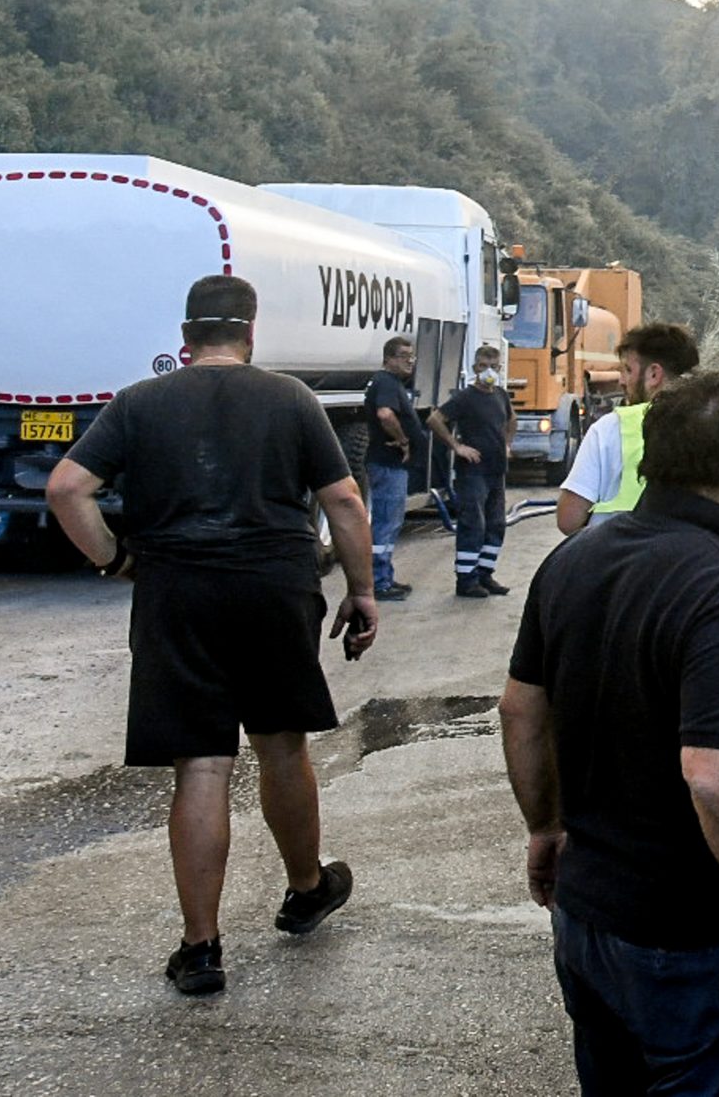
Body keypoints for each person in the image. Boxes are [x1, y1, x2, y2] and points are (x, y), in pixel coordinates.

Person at [44, 275, 378, 998]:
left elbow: (68, 487)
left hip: (177, 593)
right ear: (250, 335)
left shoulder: (139, 401)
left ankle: (201, 950)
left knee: (201, 764)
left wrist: (117, 559)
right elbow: (344, 499)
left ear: (185, 338)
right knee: (282, 743)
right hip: (273, 587)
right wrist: (362, 588)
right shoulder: (291, 398)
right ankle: (305, 887)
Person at [500, 370, 719, 1096]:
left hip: (590, 920)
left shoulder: (573, 560)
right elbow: (716, 771)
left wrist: (545, 827)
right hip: (691, 939)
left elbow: (521, 708)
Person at [554, 321, 701, 538]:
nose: (621, 381)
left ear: (654, 375)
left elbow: (568, 519)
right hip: (696, 563)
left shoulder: (610, 428)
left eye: (628, 370)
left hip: (617, 563)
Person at [430, 345, 512, 599]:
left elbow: (512, 419)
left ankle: (485, 574)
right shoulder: (465, 398)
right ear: (476, 368)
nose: (490, 372)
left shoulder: (500, 394)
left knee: (496, 524)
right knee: (473, 524)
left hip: (496, 471)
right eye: (484, 366)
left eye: (495, 367)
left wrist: (507, 444)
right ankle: (466, 580)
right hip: (473, 473)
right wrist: (457, 446)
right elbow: (434, 419)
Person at [361, 336, 422, 600]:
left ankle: (385, 577)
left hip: (388, 465)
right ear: (388, 359)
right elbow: (385, 414)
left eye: (412, 356)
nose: (409, 361)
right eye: (403, 356)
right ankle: (379, 583)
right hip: (388, 464)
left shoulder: (388, 382)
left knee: (389, 523)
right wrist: (403, 439)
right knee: (386, 524)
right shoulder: (386, 382)